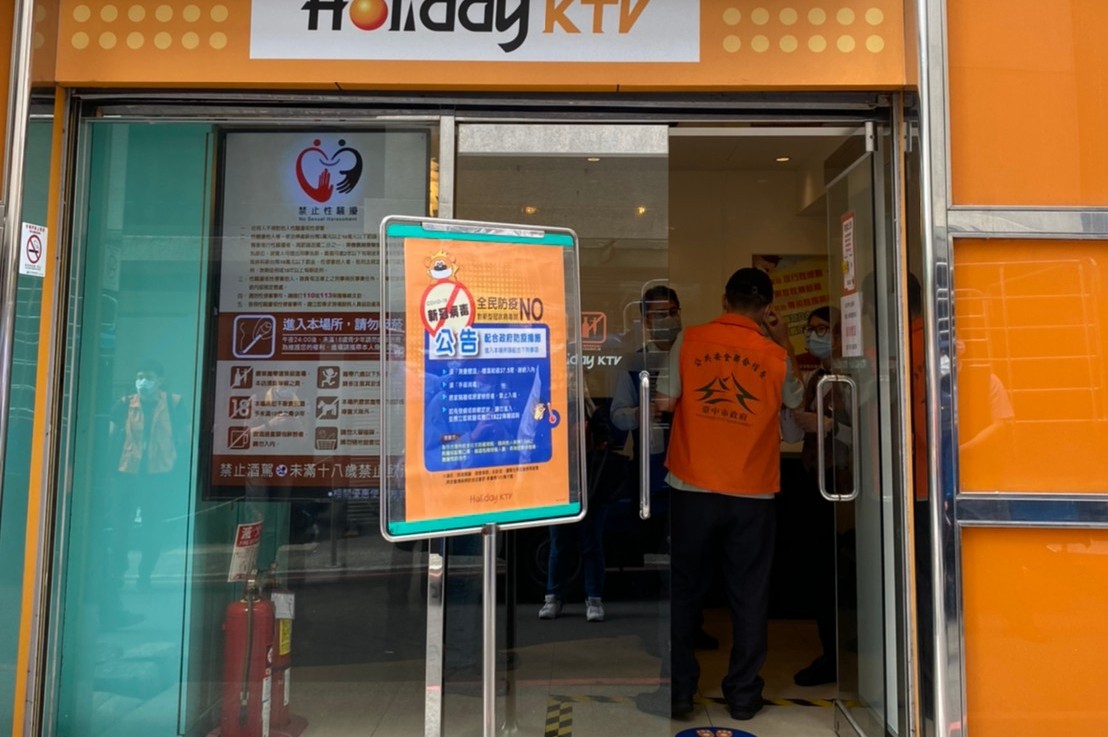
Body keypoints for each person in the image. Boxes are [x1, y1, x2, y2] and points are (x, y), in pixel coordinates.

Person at [656, 267, 804, 721]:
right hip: (752, 493)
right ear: (767, 309)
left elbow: (665, 399)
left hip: (692, 485)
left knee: (684, 591)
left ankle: (680, 692)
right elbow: (796, 402)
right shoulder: (774, 354)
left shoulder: (690, 339)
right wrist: (784, 340)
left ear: (724, 299)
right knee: (749, 595)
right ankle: (742, 695)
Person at [788, 306, 848, 686]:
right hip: (814, 479)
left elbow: (871, 431)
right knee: (820, 572)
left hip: (846, 486)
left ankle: (839, 654)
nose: (814, 336)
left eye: (823, 329)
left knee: (839, 573)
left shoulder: (854, 377)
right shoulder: (816, 379)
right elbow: (797, 430)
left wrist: (829, 426)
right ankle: (830, 651)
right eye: (811, 329)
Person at [109, 359, 187, 592]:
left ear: (160, 380)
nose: (143, 382)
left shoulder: (174, 404)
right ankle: (118, 574)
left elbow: (185, 439)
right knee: (120, 528)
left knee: (153, 528)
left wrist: (180, 472)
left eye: (149, 377)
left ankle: (145, 575)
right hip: (127, 475)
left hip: (159, 477)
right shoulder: (124, 404)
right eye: (139, 377)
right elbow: (110, 438)